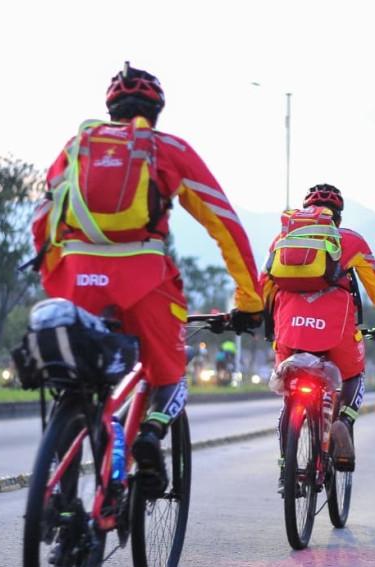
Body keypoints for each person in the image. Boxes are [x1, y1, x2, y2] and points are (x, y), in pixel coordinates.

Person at [30, 62, 263, 497]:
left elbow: (44, 219)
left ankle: (60, 504)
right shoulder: (167, 149)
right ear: (156, 111)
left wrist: (56, 279)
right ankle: (151, 435)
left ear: (110, 106)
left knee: (75, 384)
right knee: (169, 374)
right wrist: (250, 299)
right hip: (144, 282)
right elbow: (225, 225)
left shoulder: (77, 147)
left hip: (76, 279)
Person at [261, 183, 375, 482]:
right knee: (354, 376)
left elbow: (264, 283)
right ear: (337, 217)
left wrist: (258, 318)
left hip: (289, 329)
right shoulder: (350, 240)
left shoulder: (283, 238)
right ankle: (342, 421)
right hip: (335, 329)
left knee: (290, 397)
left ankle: (285, 466)